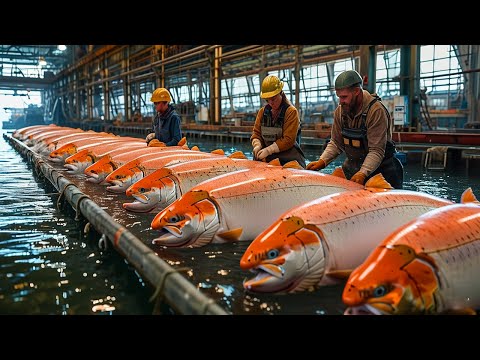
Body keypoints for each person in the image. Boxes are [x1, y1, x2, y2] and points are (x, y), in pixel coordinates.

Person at [306, 69, 404, 188]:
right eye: (339, 97)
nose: (341, 102)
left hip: (382, 171)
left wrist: (362, 173)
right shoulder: (340, 112)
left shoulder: (376, 111)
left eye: (344, 97)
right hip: (353, 166)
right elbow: (336, 143)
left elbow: (376, 151)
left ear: (357, 91)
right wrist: (322, 161)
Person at [250, 75, 306, 168]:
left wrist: (268, 150)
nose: (271, 102)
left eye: (274, 99)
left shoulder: (291, 112)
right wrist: (257, 145)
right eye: (268, 100)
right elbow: (256, 134)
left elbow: (288, 140)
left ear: (281, 93)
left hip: (290, 163)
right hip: (267, 161)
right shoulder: (262, 112)